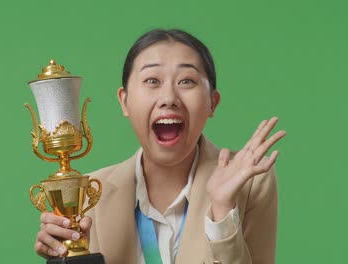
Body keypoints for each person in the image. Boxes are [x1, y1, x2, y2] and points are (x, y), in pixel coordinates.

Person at [35, 29, 286, 264]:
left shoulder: (249, 181)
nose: (169, 98)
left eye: (187, 81)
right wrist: (69, 255)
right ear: (125, 101)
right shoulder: (89, 195)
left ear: (212, 102)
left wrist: (222, 214)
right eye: (152, 81)